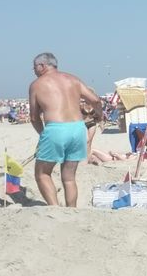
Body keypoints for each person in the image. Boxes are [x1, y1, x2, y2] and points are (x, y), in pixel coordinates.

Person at [29, 52, 102, 208]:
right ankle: (72, 211)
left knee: (42, 174)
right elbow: (95, 100)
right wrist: (100, 115)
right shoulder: (73, 79)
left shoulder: (37, 84)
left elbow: (34, 117)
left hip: (55, 129)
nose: (33, 70)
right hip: (77, 128)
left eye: (34, 67)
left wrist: (43, 135)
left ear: (42, 66)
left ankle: (55, 209)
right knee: (69, 178)